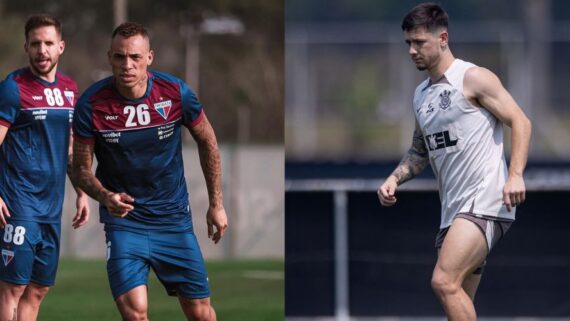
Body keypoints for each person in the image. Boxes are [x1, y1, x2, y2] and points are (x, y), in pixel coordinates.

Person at [377, 3, 532, 321]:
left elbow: (520, 121)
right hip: (453, 210)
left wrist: (515, 174)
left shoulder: (473, 77)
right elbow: (419, 151)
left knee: (443, 282)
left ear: (443, 38)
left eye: (420, 42)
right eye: (408, 43)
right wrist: (394, 178)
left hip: (485, 200)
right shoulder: (421, 95)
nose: (412, 51)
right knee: (456, 300)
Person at [71, 22, 228, 321]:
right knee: (135, 314)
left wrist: (216, 204)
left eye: (135, 57)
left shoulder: (176, 93)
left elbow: (208, 141)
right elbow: (80, 169)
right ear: (109, 57)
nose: (126, 65)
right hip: (125, 225)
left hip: (173, 222)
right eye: (119, 57)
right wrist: (105, 197)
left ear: (150, 58)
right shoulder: (91, 104)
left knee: (201, 314)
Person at [0, 15, 90, 321]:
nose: (42, 50)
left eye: (48, 43)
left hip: (52, 207)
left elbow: (69, 148)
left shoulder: (69, 89)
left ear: (61, 47)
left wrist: (81, 190)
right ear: (26, 46)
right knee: (12, 288)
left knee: (38, 289)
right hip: (18, 204)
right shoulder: (12, 88)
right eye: (35, 43)